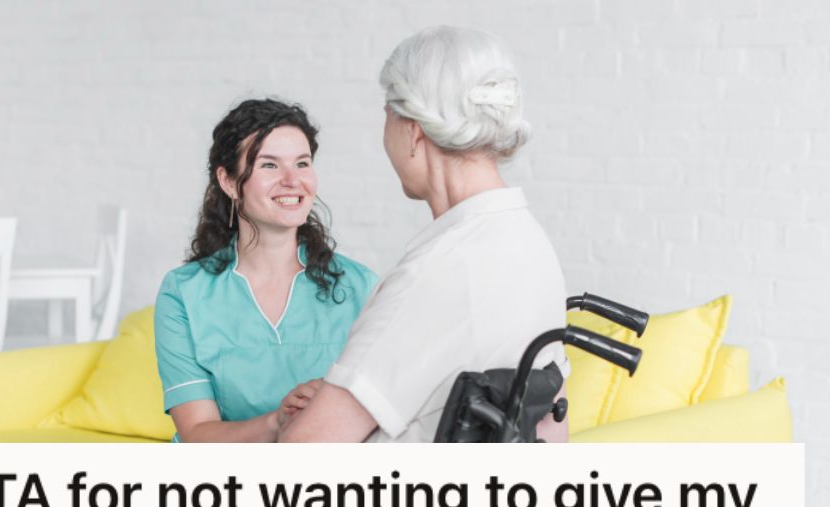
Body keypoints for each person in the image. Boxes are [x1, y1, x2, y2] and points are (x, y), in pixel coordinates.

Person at [278, 26, 570, 443]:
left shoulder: (434, 271)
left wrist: (298, 423)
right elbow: (552, 424)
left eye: (386, 115)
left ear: (412, 130)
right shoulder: (531, 243)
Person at [154, 99, 378, 442]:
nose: (292, 180)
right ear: (229, 182)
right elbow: (197, 434)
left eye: (302, 163)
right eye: (269, 165)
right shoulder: (183, 292)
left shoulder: (361, 287)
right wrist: (278, 421)